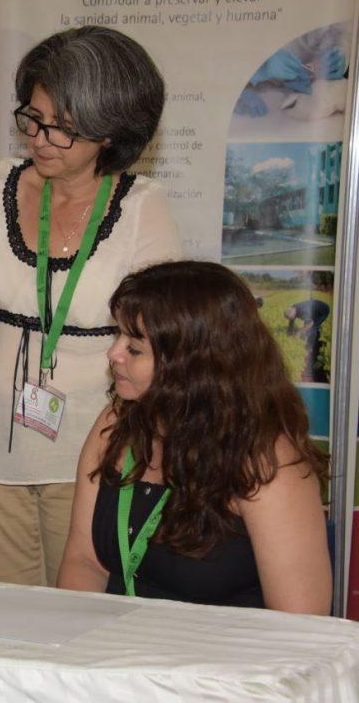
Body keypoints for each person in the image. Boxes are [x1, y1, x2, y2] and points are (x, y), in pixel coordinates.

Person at [0, 26, 181, 587]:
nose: (40, 139)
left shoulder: (142, 209)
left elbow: (164, 347)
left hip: (97, 454)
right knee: (4, 621)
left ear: (110, 133)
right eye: (33, 118)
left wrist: (157, 452)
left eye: (63, 129)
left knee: (82, 623)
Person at [58, 261, 331, 613]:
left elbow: (299, 622)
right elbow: (84, 563)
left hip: (223, 661)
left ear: (191, 365)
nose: (114, 353)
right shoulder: (116, 424)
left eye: (134, 348)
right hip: (117, 655)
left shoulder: (267, 461)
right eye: (118, 337)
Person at [285, 298, 331, 382]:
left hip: (323, 311)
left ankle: (310, 347)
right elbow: (291, 321)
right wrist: (289, 332)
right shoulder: (293, 308)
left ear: (295, 314)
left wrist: (299, 332)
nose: (293, 320)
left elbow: (310, 324)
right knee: (307, 325)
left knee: (313, 328)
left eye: (293, 318)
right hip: (314, 308)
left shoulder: (304, 311)